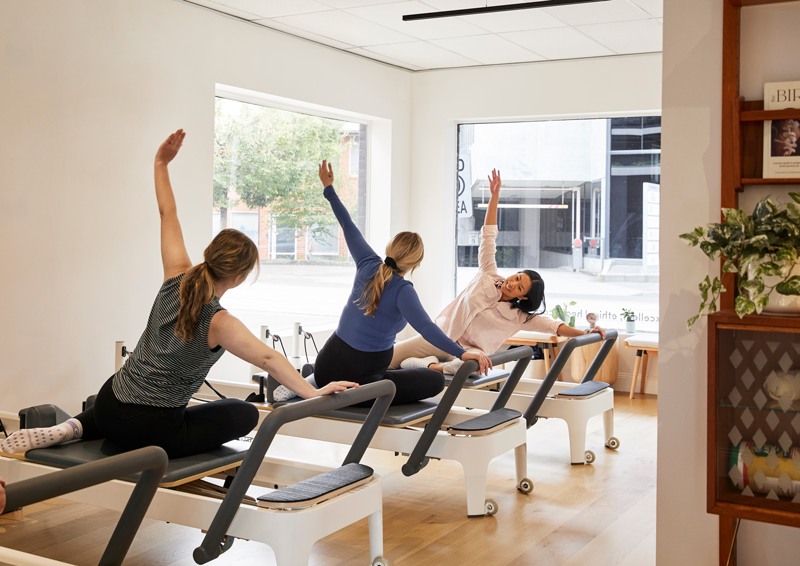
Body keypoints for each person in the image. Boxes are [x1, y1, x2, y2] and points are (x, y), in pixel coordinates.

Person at [1, 130, 356, 459]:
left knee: (128, 396)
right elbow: (268, 359)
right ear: (238, 277)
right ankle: (83, 427)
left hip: (107, 406)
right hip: (149, 431)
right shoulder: (220, 322)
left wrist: (161, 163)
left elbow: (166, 212)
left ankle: (72, 427)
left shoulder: (176, 274)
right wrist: (314, 392)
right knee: (245, 412)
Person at [391, 169, 606, 375]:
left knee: (475, 364)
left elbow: (554, 327)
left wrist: (586, 332)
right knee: (389, 358)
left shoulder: (520, 318)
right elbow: (489, 236)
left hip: (468, 353)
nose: (513, 283)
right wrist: (494, 196)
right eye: (517, 277)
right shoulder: (487, 274)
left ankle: (430, 366)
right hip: (441, 336)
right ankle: (426, 363)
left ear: (523, 297)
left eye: (519, 287)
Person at [313, 161, 492, 406]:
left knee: (398, 373)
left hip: (325, 367)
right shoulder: (402, 290)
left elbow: (347, 225)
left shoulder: (367, 263)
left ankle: (312, 380)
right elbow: (426, 328)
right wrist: (462, 353)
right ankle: (350, 388)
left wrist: (329, 188)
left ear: (390, 248)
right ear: (416, 264)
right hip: (361, 383)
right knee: (434, 380)